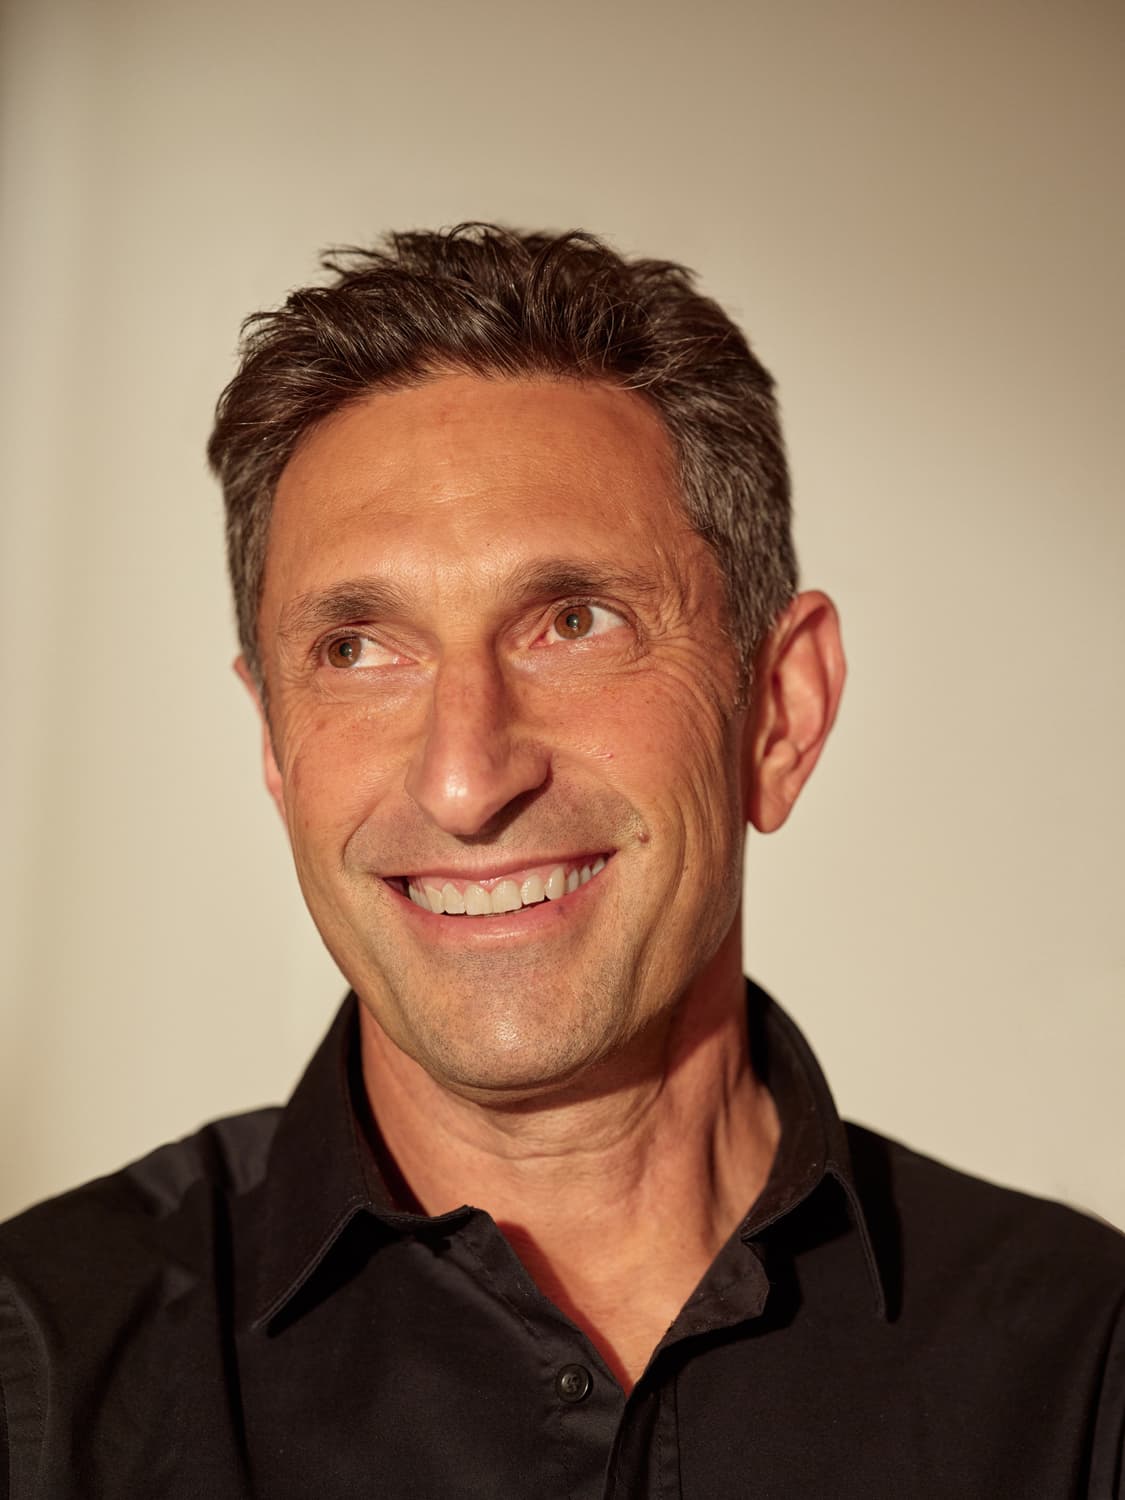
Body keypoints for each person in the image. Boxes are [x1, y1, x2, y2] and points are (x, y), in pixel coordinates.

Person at [0, 225, 1121, 1499]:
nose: (465, 779)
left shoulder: (1084, 1376)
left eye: (574, 622)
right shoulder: (43, 1374)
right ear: (273, 741)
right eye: (360, 650)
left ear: (778, 711)